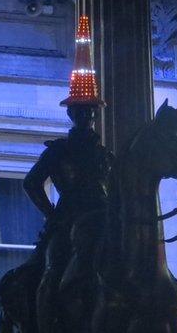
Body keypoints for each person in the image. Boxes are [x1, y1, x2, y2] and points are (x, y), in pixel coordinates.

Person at [23, 102, 112, 333]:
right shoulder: (58, 151)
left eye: (90, 111)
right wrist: (52, 215)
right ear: (71, 114)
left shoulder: (104, 155)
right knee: (53, 271)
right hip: (68, 221)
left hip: (103, 219)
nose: (86, 115)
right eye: (81, 111)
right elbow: (31, 182)